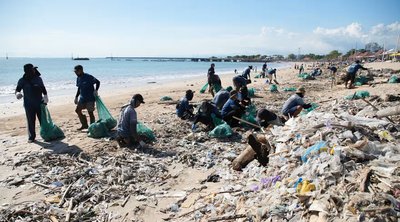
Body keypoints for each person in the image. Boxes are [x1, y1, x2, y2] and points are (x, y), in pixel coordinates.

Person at [15, 64, 49, 143]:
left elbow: (43, 88)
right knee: (30, 121)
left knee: (43, 120)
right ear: (28, 71)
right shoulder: (22, 80)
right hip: (28, 104)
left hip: (40, 103)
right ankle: (32, 137)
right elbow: (17, 90)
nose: (34, 71)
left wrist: (46, 96)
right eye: (32, 69)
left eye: (34, 69)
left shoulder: (38, 79)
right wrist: (17, 94)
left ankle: (46, 134)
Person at [74, 65, 100, 130]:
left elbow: (98, 82)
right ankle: (84, 125)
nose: (75, 73)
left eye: (76, 71)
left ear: (81, 70)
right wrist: (76, 97)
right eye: (75, 72)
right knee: (77, 110)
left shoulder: (88, 77)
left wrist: (96, 90)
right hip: (82, 98)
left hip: (90, 98)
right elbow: (79, 88)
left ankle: (92, 127)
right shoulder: (78, 78)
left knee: (90, 113)